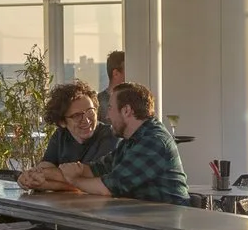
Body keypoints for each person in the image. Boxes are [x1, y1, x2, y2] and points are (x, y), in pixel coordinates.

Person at [49, 82, 188, 203]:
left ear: (126, 110)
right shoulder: (131, 141)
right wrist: (75, 169)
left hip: (167, 226)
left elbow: (109, 187)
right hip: (143, 222)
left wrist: (74, 180)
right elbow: (98, 169)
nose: (107, 116)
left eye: (110, 108)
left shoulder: (154, 142)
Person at [19, 82, 116, 190]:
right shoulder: (60, 135)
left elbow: (94, 183)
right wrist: (29, 177)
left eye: (90, 111)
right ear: (62, 122)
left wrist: (47, 183)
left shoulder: (110, 135)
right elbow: (45, 168)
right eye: (76, 115)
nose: (86, 120)